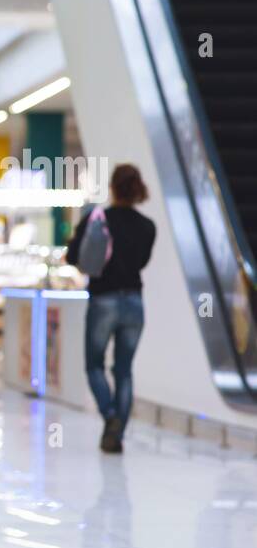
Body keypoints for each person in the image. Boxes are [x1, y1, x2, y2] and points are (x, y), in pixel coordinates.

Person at [68, 164, 156, 454]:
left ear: (112, 187)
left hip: (103, 298)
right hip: (134, 300)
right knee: (124, 370)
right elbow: (142, 263)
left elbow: (73, 255)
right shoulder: (147, 226)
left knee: (94, 365)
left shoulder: (97, 219)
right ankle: (116, 433)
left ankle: (111, 418)